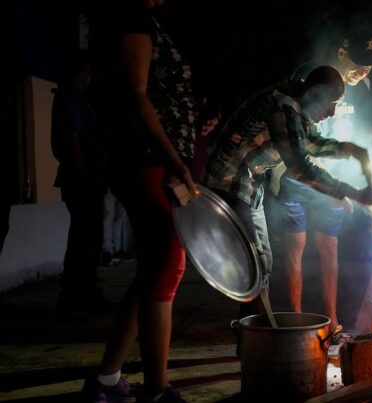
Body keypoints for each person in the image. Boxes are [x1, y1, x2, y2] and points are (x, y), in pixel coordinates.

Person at [81, 0, 198, 401]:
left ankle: (106, 381)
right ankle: (157, 392)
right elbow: (135, 94)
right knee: (167, 264)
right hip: (144, 158)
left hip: (149, 158)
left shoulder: (137, 17)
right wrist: (175, 160)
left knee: (152, 271)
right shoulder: (129, 15)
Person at [201, 65, 372, 321]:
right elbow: (302, 167)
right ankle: (255, 332)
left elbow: (312, 143)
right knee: (256, 264)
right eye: (331, 104)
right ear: (314, 93)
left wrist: (351, 150)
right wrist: (353, 193)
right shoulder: (282, 105)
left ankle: (254, 331)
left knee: (262, 264)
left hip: (249, 186)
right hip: (230, 183)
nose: (331, 113)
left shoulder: (296, 108)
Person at [269, 33, 372, 330]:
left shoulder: (364, 89)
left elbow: (363, 130)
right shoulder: (311, 76)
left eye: (368, 69)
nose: (363, 73)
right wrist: (338, 190)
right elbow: (302, 145)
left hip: (332, 177)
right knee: (296, 244)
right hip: (299, 175)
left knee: (329, 246)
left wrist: (355, 164)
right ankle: (295, 319)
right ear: (343, 54)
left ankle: (333, 323)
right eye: (359, 64)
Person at [50, 49, 109, 313]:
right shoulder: (71, 99)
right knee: (85, 237)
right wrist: (84, 176)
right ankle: (77, 294)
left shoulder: (72, 98)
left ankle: (83, 290)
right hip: (82, 180)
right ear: (83, 72)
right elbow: (72, 141)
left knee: (87, 236)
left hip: (83, 178)